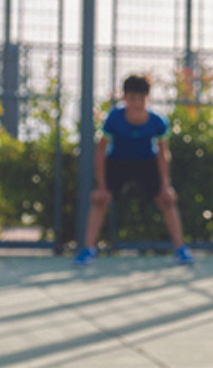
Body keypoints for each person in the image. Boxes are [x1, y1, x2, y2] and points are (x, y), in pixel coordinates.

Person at [75, 74, 193, 266]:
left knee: (167, 201)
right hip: (118, 162)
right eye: (131, 99)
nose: (135, 103)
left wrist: (165, 186)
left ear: (147, 98)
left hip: (147, 163)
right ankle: (88, 250)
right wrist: (102, 186)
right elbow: (100, 151)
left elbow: (163, 155)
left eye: (140, 99)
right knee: (99, 200)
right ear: (124, 97)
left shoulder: (157, 121)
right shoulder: (114, 118)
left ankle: (180, 249)